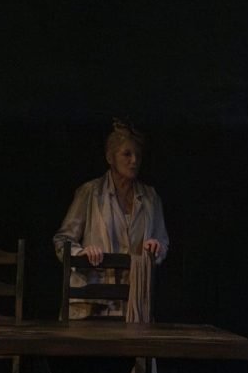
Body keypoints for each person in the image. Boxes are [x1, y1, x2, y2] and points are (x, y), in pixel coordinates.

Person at [52, 119, 170, 322]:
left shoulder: (150, 198)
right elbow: (62, 241)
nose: (134, 161)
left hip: (133, 305)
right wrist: (81, 253)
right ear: (110, 157)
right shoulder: (91, 193)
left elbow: (163, 243)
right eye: (127, 154)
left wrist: (155, 248)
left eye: (138, 156)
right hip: (92, 303)